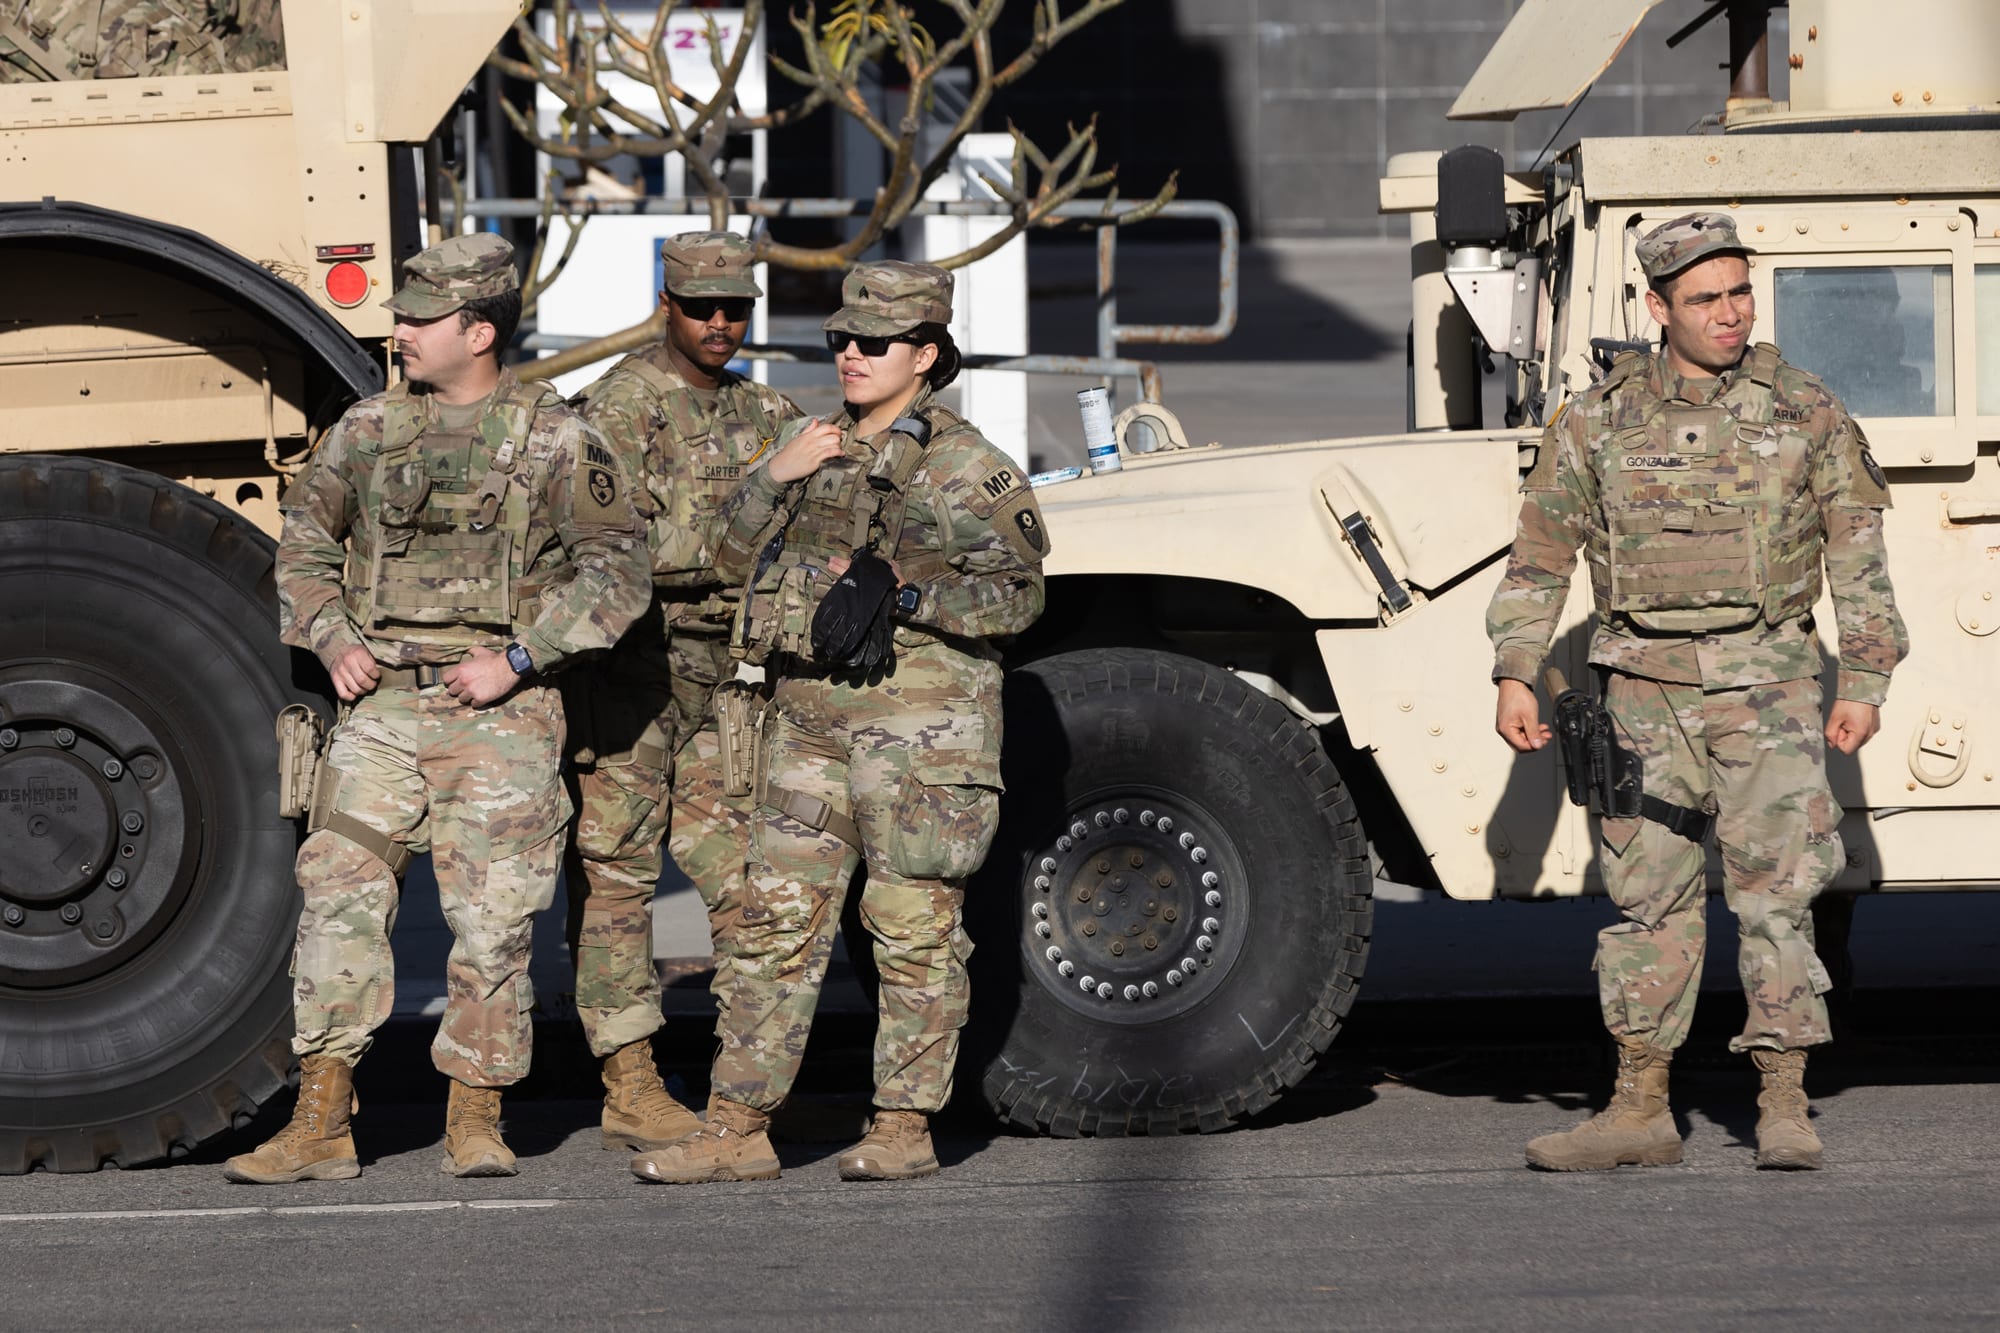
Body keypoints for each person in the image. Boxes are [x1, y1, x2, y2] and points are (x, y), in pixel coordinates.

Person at [224, 233, 650, 1183]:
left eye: (421, 318)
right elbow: (304, 543)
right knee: (337, 895)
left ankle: (475, 1116)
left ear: (480, 331)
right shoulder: (368, 430)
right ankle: (321, 1120)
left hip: (499, 715)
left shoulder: (558, 439)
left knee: (493, 923)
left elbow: (619, 573)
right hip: (383, 708)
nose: (401, 332)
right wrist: (330, 634)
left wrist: (521, 656)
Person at [1488, 212, 1907, 1172]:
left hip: (1769, 687)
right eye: (1706, 298)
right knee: (1649, 901)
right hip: (1643, 692)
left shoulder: (1805, 408)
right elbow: (1540, 555)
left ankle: (1784, 1102)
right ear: (1657, 307)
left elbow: (1858, 553)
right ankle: (1639, 1107)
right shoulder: (1597, 419)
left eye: (1740, 292)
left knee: (1778, 898)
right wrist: (1516, 668)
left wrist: (1866, 676)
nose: (1731, 313)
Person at [629, 260, 1047, 1184]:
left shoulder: (964, 465)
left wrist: (911, 597)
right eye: (841, 338)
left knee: (911, 928)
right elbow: (723, 558)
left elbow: (1020, 596)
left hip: (920, 738)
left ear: (926, 354)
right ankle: (737, 1128)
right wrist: (772, 475)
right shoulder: (811, 445)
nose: (852, 353)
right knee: (771, 923)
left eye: (875, 341)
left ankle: (903, 1124)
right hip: (807, 726)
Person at [561, 230, 798, 1152]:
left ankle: (747, 1079)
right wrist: (739, 534)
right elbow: (605, 550)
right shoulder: (616, 411)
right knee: (617, 878)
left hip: (725, 682)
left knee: (743, 877)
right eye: (702, 308)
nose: (720, 323)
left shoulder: (766, 411)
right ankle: (630, 1082)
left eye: (736, 308)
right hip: (631, 674)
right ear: (668, 305)